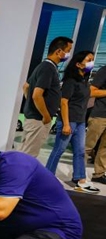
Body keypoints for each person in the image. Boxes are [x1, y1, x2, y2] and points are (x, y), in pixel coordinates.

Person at [44, 51, 99, 193]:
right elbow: (63, 102)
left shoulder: (85, 81)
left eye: (92, 60)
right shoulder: (70, 81)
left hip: (80, 122)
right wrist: (66, 124)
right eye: (89, 60)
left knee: (80, 151)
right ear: (78, 64)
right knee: (59, 150)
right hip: (69, 121)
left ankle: (80, 180)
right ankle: (47, 177)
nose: (91, 62)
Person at [20, 36, 74, 158]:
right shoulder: (48, 68)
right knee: (29, 156)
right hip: (39, 120)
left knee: (25, 152)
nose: (69, 54)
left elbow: (26, 87)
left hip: (34, 118)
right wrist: (45, 116)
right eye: (68, 50)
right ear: (59, 51)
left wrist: (31, 105)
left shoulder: (44, 66)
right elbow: (37, 95)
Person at [86, 64, 106, 184]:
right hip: (100, 115)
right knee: (88, 146)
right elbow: (92, 91)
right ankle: (78, 173)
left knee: (105, 148)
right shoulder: (104, 70)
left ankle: (99, 174)